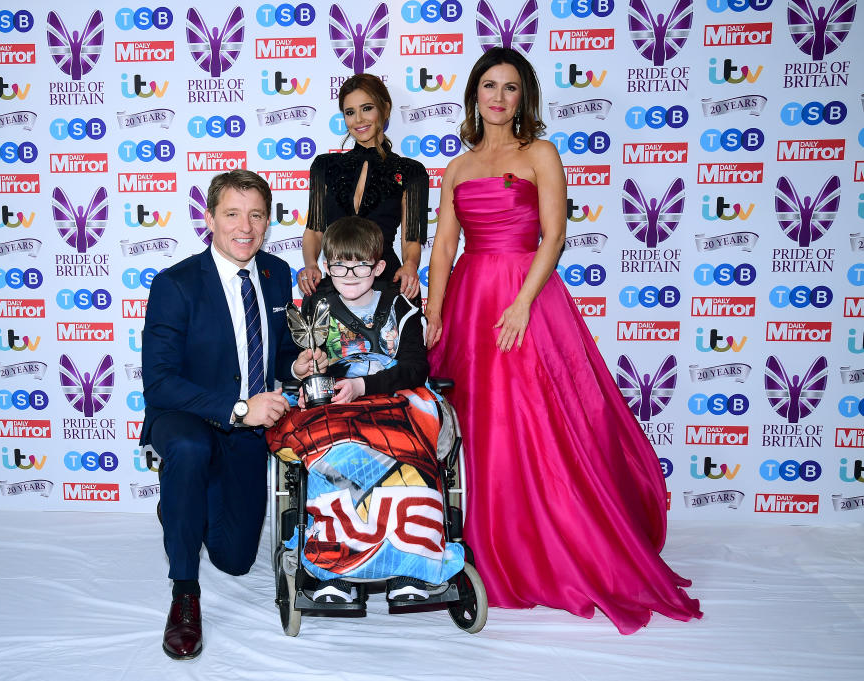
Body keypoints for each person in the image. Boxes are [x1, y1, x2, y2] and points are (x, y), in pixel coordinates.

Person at [425, 47, 702, 634]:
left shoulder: (541, 153)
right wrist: (434, 309)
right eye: (490, 86)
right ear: (474, 95)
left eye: (511, 88)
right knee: (477, 426)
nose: (499, 98)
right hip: (471, 299)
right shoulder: (458, 166)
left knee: (538, 423)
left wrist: (522, 303)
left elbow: (554, 238)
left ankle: (544, 543)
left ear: (524, 98)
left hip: (526, 295)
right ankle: (482, 543)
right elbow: (444, 248)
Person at [141, 170, 327, 659]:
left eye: (256, 215)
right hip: (186, 415)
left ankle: (183, 507)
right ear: (209, 220)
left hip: (247, 429)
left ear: (267, 222)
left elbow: (281, 349)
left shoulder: (275, 272)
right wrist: (240, 408)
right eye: (231, 214)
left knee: (237, 559)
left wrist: (298, 363)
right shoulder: (174, 284)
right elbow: (159, 382)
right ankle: (184, 594)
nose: (244, 227)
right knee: (188, 449)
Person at [267, 216, 464, 604]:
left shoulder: (402, 307)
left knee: (407, 452)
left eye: (361, 265)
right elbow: (308, 364)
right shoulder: (316, 308)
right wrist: (311, 377)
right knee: (333, 454)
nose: (350, 274)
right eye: (340, 265)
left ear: (378, 267)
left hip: (395, 396)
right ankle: (335, 570)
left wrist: (364, 386)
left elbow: (414, 368)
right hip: (340, 403)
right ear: (326, 266)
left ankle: (409, 567)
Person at [298, 73, 428, 300]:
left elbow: (410, 239)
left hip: (386, 280)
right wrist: (310, 265)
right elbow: (315, 230)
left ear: (385, 109)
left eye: (367, 108)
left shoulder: (411, 171)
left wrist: (410, 266)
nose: (358, 120)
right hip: (337, 281)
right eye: (350, 112)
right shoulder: (324, 166)